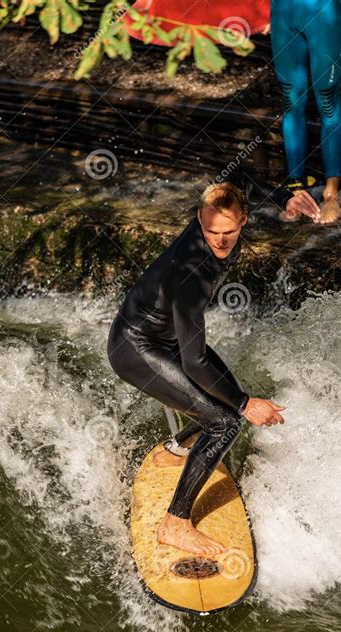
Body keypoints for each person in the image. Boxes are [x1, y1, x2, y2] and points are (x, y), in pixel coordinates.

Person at [107, 179, 319, 556]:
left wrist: (285, 197)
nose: (220, 240)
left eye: (229, 231)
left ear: (243, 219)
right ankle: (175, 523)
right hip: (136, 347)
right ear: (198, 221)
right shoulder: (193, 271)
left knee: (222, 400)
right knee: (226, 420)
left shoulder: (224, 206)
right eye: (211, 232)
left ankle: (175, 450)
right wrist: (245, 403)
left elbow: (243, 182)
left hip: (166, 336)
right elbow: (194, 362)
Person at [268, 0, 341, 223]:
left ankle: (332, 194)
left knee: (327, 97)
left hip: (322, 11)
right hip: (283, 11)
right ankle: (296, 190)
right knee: (291, 100)